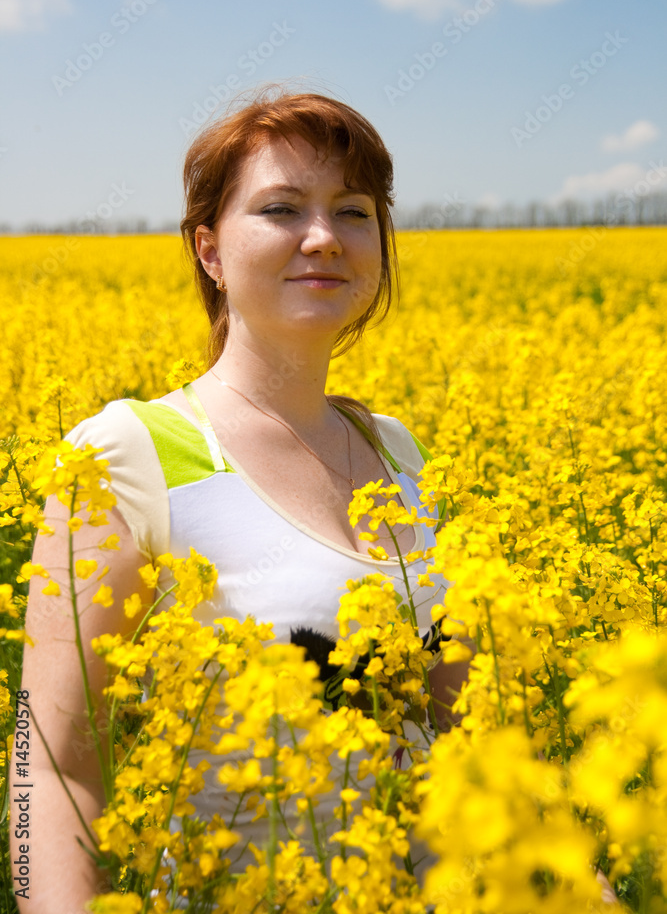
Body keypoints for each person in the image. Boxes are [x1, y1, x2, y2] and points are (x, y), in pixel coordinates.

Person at [12, 86, 470, 912]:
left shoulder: (397, 452)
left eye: (354, 211)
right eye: (281, 208)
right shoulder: (126, 454)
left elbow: (468, 736)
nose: (324, 238)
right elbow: (50, 764)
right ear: (210, 251)